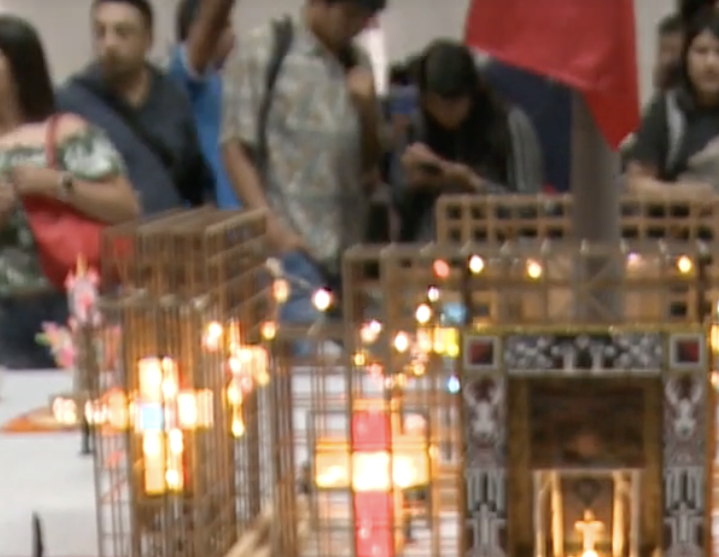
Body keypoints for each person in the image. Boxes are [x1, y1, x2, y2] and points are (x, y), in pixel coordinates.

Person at [0, 15, 138, 370]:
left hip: (75, 299)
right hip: (1, 309)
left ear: (18, 67)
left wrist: (56, 184)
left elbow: (126, 207)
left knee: (88, 407)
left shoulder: (66, 131)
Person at [219, 0, 383, 327]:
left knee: (351, 368)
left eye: (366, 18)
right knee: (304, 364)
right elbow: (235, 148)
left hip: (347, 257)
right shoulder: (266, 48)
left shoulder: (357, 61)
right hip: (290, 255)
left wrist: (368, 112)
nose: (358, 26)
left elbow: (370, 168)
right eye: (351, 13)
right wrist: (272, 229)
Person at [58, 0, 210, 215]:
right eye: (100, 32)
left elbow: (195, 181)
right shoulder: (71, 103)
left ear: (147, 40)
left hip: (168, 235)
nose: (109, 43)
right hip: (103, 240)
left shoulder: (172, 97)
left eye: (122, 32)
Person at [388, 41, 540, 241]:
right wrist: (412, 182)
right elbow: (399, 203)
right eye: (436, 104)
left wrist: (472, 182)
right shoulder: (417, 127)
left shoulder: (509, 123)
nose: (445, 114)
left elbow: (528, 207)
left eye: (454, 104)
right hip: (431, 252)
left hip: (497, 250)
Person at [626, 8, 719, 202]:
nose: (710, 63)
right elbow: (636, 183)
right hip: (679, 228)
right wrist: (682, 194)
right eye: (701, 51)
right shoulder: (666, 111)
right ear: (686, 57)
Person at [173, 0, 237, 208]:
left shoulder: (223, 82)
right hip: (208, 221)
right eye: (225, 26)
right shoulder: (183, 74)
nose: (233, 36)